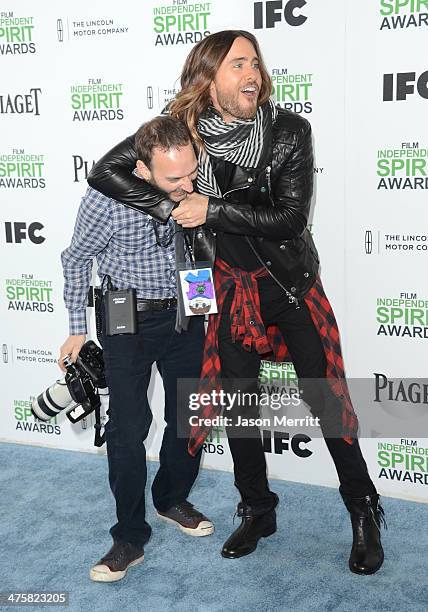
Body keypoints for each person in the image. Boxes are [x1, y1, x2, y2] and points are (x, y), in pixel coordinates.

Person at [87, 30, 386, 575]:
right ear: (209, 78)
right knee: (239, 406)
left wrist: (210, 210)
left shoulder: (289, 131)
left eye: (256, 63)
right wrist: (168, 206)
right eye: (237, 64)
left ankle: (363, 511)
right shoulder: (183, 131)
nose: (252, 74)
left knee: (327, 400)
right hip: (221, 289)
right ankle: (257, 510)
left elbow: (292, 219)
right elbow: (103, 171)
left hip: (289, 287)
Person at [59, 116, 213, 583]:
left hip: (187, 314)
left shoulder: (194, 184)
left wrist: (208, 308)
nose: (187, 184)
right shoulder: (105, 198)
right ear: (142, 171)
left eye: (191, 171)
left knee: (189, 414)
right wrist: (75, 328)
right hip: (127, 318)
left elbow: (201, 252)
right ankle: (129, 534)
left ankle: (170, 498)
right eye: (174, 178)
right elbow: (75, 258)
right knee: (128, 427)